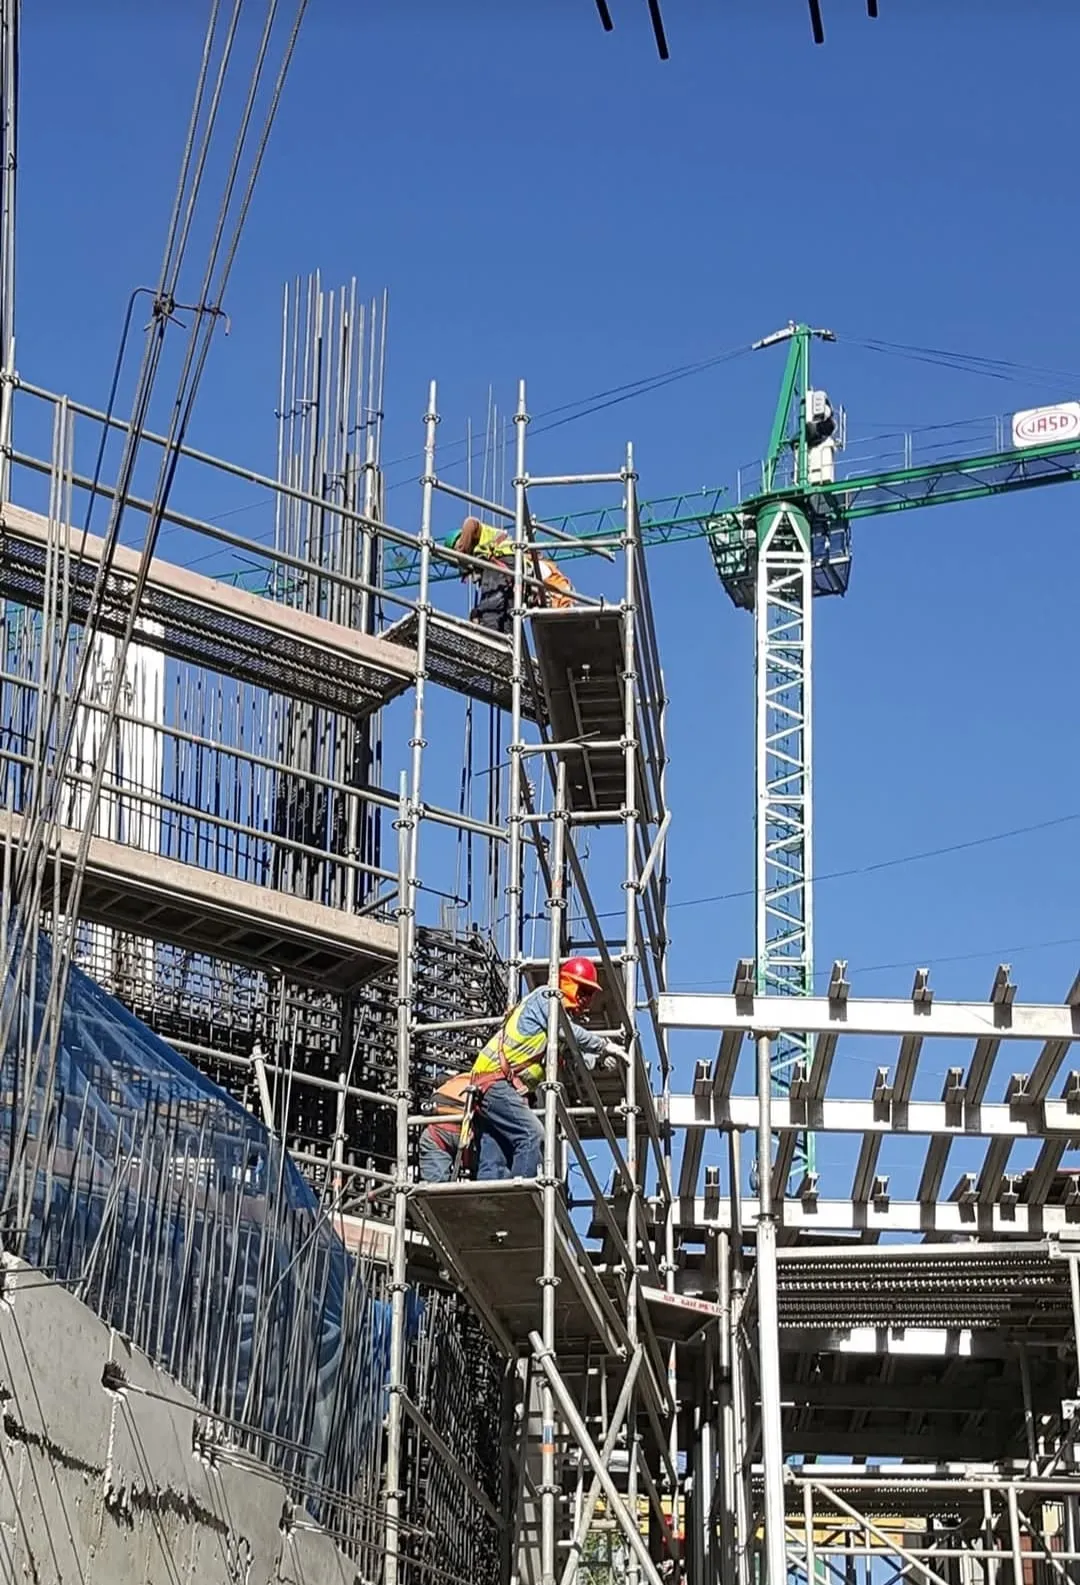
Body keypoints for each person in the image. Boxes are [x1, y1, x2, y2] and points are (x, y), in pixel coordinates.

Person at [469, 958, 629, 1181]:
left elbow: (572, 1055)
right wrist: (603, 1045)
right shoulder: (546, 998)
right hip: (496, 1083)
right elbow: (566, 1031)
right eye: (582, 990)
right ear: (566, 983)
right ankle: (521, 1196)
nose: (586, 999)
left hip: (496, 1088)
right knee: (532, 1134)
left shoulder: (553, 1027)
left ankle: (491, 1209)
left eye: (590, 994)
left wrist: (599, 1059)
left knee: (495, 1159)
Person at [449, 516, 574, 633]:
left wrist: (461, 554)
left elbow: (470, 523)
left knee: (492, 610)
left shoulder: (477, 535)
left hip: (502, 562)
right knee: (506, 614)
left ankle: (491, 638)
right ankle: (502, 642)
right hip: (509, 569)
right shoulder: (482, 561)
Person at [417, 1072, 475, 1183]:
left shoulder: (448, 1086)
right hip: (470, 1131)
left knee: (435, 1191)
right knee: (491, 1179)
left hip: (437, 1132)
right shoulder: (473, 1079)